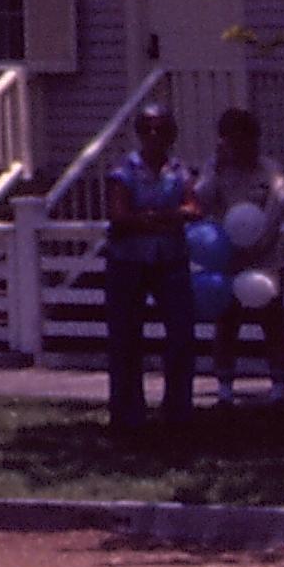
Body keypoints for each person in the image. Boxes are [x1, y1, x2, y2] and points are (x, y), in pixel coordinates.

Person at [103, 102, 204, 433]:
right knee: (125, 339)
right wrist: (167, 216)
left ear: (171, 134)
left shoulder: (179, 170)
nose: (153, 135)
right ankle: (127, 415)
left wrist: (152, 218)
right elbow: (119, 216)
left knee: (180, 336)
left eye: (161, 129)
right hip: (128, 263)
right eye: (147, 128)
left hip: (170, 260)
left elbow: (193, 208)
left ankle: (178, 412)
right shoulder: (124, 171)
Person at [199, 109, 284, 403]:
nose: (240, 146)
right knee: (227, 322)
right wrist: (216, 169)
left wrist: (257, 246)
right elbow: (202, 201)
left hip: (265, 257)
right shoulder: (215, 169)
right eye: (232, 140)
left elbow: (276, 211)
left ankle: (278, 383)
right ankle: (225, 385)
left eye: (245, 138)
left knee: (273, 321)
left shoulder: (271, 171)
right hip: (227, 256)